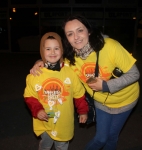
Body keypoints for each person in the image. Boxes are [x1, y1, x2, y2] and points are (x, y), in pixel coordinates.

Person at [30, 15, 140, 150]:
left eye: (80, 30)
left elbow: (135, 74)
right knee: (101, 138)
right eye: (70, 34)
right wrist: (39, 62)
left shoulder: (110, 46)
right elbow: (54, 62)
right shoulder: (71, 60)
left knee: (112, 137)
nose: (76, 37)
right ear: (67, 39)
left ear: (89, 31)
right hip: (101, 103)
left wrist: (106, 86)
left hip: (126, 100)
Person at [24, 32, 88, 150]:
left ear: (62, 50)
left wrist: (83, 111)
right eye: (48, 49)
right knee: (45, 144)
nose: (52, 52)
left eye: (56, 48)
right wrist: (37, 110)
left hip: (64, 120)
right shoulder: (35, 74)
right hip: (45, 119)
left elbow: (79, 94)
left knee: (62, 146)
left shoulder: (70, 72)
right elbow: (29, 96)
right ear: (42, 51)